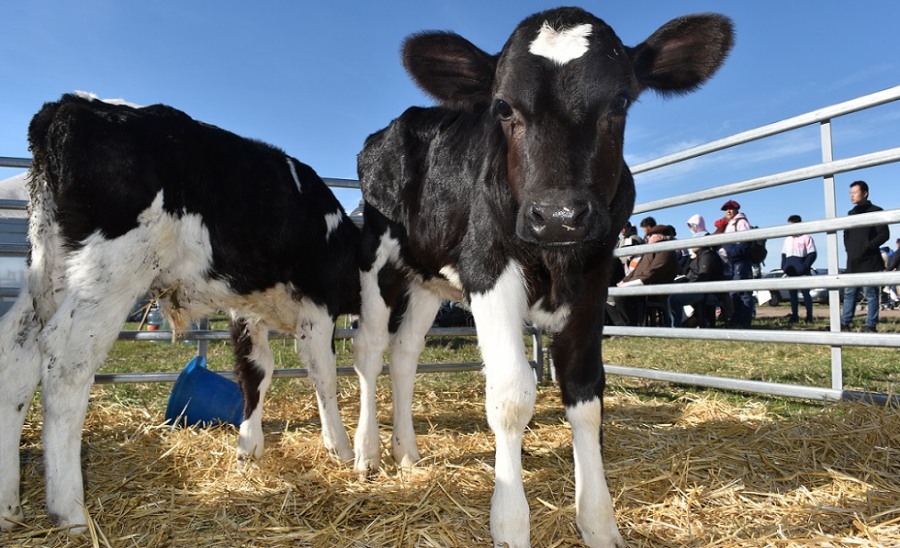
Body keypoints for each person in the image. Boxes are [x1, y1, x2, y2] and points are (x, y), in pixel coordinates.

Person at [606, 224, 679, 326]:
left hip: (652, 288)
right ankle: (621, 326)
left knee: (620, 296)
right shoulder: (650, 250)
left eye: (650, 235)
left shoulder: (666, 251)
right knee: (608, 294)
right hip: (640, 284)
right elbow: (636, 270)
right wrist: (624, 281)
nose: (647, 237)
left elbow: (653, 272)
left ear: (660, 237)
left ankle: (630, 327)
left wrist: (627, 285)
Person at [841, 180, 889, 332]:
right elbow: (846, 234)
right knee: (849, 293)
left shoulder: (876, 211)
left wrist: (868, 246)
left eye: (854, 192)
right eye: (850, 193)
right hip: (853, 260)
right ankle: (844, 323)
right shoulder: (851, 213)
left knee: (871, 293)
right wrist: (849, 249)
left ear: (865, 193)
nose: (851, 196)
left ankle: (870, 325)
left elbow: (884, 234)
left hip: (870, 260)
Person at [668, 220, 725, 327]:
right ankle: (680, 325)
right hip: (699, 288)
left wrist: (688, 287)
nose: (691, 246)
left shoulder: (707, 256)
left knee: (675, 299)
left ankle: (676, 327)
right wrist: (691, 258)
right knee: (672, 297)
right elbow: (685, 271)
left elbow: (703, 276)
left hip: (705, 291)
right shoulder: (700, 255)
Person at [720, 199, 755, 327]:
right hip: (732, 262)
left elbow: (744, 243)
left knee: (743, 292)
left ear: (736, 210)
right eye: (726, 209)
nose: (728, 211)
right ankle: (736, 318)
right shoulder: (730, 224)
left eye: (731, 208)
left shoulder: (741, 222)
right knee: (734, 292)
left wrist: (732, 253)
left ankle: (745, 320)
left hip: (740, 261)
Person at [780, 215, 817, 324]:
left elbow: (812, 254)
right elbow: (783, 254)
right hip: (791, 272)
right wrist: (784, 267)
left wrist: (804, 266)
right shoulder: (787, 240)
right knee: (792, 295)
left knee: (806, 294)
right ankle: (794, 315)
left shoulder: (806, 237)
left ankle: (809, 316)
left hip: (803, 272)